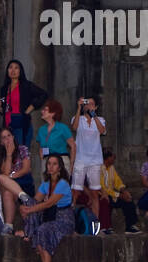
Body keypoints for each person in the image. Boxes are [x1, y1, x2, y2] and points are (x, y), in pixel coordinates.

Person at [18, 155, 75, 262]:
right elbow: (36, 201)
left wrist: (29, 210)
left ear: (59, 167)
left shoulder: (63, 184)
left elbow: (49, 203)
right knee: (30, 203)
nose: (51, 166)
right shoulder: (46, 184)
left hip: (63, 218)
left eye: (54, 164)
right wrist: (25, 206)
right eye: (49, 163)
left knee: (42, 231)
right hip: (49, 217)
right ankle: (29, 232)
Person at [70, 96, 109, 228]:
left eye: (92, 104)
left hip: (95, 160)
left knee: (94, 192)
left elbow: (102, 131)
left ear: (96, 107)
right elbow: (74, 128)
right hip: (80, 159)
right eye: (87, 104)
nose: (89, 106)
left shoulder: (101, 120)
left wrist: (94, 116)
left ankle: (95, 226)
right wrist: (78, 108)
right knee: (75, 191)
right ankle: (70, 223)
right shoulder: (78, 119)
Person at [0, 59, 47, 150]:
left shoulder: (26, 85)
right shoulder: (4, 89)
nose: (13, 70)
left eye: (16, 68)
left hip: (21, 122)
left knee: (21, 153)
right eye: (10, 68)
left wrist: (30, 108)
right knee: (8, 153)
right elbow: (4, 111)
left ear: (20, 71)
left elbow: (43, 94)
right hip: (7, 124)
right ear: (7, 71)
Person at [0, 127, 34, 235]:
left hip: (24, 182)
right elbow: (5, 174)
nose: (7, 139)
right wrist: (9, 155)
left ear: (13, 137)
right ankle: (8, 226)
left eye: (9, 136)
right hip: (10, 186)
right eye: (4, 138)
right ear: (1, 142)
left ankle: (23, 196)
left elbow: (26, 169)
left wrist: (12, 177)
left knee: (3, 181)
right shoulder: (0, 154)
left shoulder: (22, 149)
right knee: (3, 183)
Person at [100, 149, 141, 234]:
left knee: (129, 199)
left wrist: (124, 191)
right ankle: (105, 228)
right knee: (106, 200)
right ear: (107, 158)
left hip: (113, 194)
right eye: (112, 156)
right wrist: (119, 195)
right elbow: (103, 188)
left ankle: (130, 226)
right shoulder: (98, 168)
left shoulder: (111, 167)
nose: (114, 158)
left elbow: (117, 181)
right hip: (101, 194)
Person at [34, 99, 73, 177]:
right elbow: (42, 148)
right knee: (46, 187)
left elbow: (73, 146)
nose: (42, 111)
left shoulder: (62, 128)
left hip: (62, 161)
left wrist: (71, 165)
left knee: (61, 187)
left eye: (45, 110)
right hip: (47, 162)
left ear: (53, 113)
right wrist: (43, 161)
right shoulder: (41, 129)